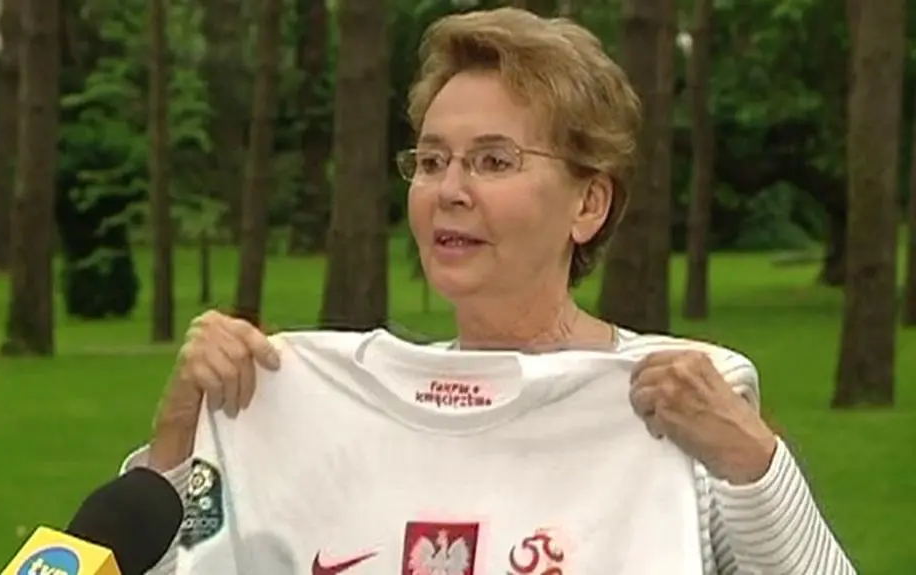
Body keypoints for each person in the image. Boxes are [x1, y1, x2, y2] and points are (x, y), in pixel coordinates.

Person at [122, 7, 856, 575]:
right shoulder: (311, 399)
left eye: (494, 161)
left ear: (589, 203)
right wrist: (177, 440)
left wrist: (755, 466)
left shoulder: (679, 401)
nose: (449, 190)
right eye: (431, 160)